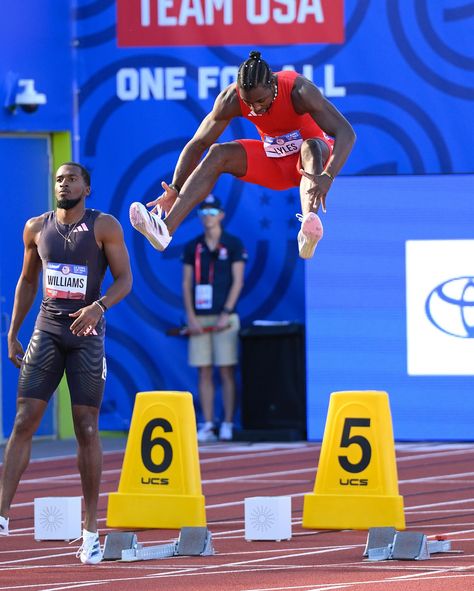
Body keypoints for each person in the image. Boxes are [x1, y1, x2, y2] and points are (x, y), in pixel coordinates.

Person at [0, 163, 133, 565]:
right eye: (59, 178)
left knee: (87, 428)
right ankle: (2, 516)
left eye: (72, 178)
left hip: (87, 336)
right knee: (24, 421)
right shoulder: (35, 228)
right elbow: (26, 281)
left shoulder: (104, 226)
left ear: (87, 188)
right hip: (47, 329)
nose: (64, 183)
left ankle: (90, 530)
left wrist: (98, 306)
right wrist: (12, 331)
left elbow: (124, 280)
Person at [130, 49, 356, 259]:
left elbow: (346, 133)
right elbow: (198, 143)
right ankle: (165, 230)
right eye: (249, 103)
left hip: (312, 165)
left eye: (261, 101)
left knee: (310, 146)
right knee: (218, 153)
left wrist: (328, 175)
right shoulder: (231, 99)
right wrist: (176, 187)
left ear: (272, 86)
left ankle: (308, 227)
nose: (255, 109)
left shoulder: (300, 91)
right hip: (274, 165)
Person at [182, 195, 246, 442]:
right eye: (203, 213)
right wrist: (190, 317)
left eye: (212, 212)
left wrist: (226, 313)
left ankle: (228, 422)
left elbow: (238, 281)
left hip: (225, 319)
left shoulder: (233, 244)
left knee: (227, 370)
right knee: (204, 372)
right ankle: (208, 423)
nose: (207, 217)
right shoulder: (192, 247)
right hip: (199, 318)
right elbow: (187, 283)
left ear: (221, 215)